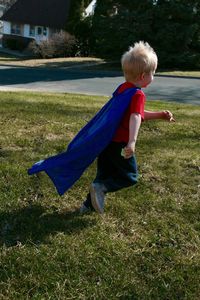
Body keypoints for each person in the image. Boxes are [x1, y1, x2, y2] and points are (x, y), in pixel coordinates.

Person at [80, 41, 175, 214]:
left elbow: (135, 113)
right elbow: (135, 116)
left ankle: (87, 206)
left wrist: (160, 115)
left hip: (107, 141)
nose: (154, 76)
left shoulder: (123, 88)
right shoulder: (138, 94)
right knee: (130, 176)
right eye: (153, 72)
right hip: (121, 143)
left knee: (103, 175)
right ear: (143, 76)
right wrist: (131, 142)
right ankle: (102, 189)